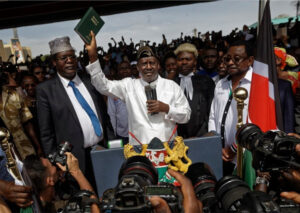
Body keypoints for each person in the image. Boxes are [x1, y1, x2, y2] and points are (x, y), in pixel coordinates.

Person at [85, 31, 191, 145]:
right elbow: (103, 86)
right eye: (144, 63)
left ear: (158, 65)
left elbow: (186, 116)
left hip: (168, 148)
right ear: (138, 67)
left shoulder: (172, 86)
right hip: (139, 151)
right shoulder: (129, 85)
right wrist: (93, 57)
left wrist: (167, 108)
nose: (148, 67)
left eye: (152, 63)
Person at [36, 36, 114, 183]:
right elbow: (46, 133)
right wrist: (57, 163)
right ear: (54, 62)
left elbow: (104, 116)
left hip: (102, 151)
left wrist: (112, 145)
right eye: (63, 58)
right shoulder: (46, 90)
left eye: (72, 56)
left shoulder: (90, 80)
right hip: (74, 161)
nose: (69, 61)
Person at [208, 40, 254, 175]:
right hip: (220, 154)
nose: (230, 62)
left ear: (250, 60)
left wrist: (234, 148)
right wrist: (214, 143)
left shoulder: (258, 84)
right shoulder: (221, 84)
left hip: (245, 155)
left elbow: (255, 121)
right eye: (227, 58)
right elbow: (213, 116)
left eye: (237, 58)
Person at [24, 152, 100, 213]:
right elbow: (93, 205)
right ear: (50, 181)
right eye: (52, 165)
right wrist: (76, 172)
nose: (55, 167)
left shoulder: (37, 204)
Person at [173, 43, 215, 138]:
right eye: (180, 59)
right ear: (176, 62)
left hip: (202, 136)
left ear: (195, 62)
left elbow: (211, 111)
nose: (184, 62)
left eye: (188, 59)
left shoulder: (206, 81)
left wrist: (203, 135)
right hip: (177, 139)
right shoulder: (170, 84)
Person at [107, 61, 131, 144]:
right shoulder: (113, 89)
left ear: (131, 70)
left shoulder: (138, 85)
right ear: (118, 72)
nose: (124, 71)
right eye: (121, 69)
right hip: (121, 134)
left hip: (138, 133)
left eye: (127, 68)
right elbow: (111, 113)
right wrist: (114, 133)